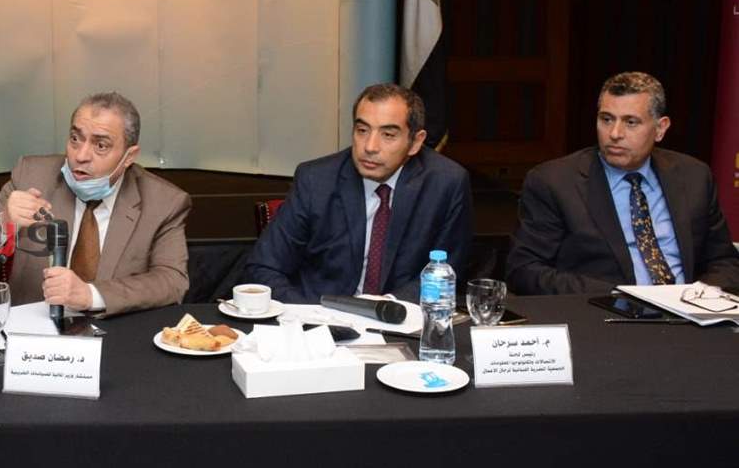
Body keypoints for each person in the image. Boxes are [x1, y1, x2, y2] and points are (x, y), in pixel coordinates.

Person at [507, 71, 739, 295]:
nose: (615, 133)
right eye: (606, 119)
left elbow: (724, 261)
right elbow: (524, 270)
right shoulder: (555, 182)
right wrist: (618, 297)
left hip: (687, 311)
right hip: (602, 312)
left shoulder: (694, 176)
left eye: (631, 122)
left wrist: (700, 296)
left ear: (660, 129)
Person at [244, 83, 473, 302]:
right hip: (320, 316)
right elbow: (263, 267)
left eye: (388, 135)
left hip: (399, 317)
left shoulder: (445, 183)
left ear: (415, 142)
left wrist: (387, 307)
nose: (370, 147)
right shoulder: (316, 179)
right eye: (362, 130)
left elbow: (448, 271)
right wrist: (314, 316)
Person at [0, 92, 190, 315]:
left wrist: (91, 295)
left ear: (129, 157)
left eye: (101, 145)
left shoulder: (164, 202)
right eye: (75, 139)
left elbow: (172, 281)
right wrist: (2, 224)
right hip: (31, 328)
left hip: (116, 331)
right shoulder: (30, 176)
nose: (80, 156)